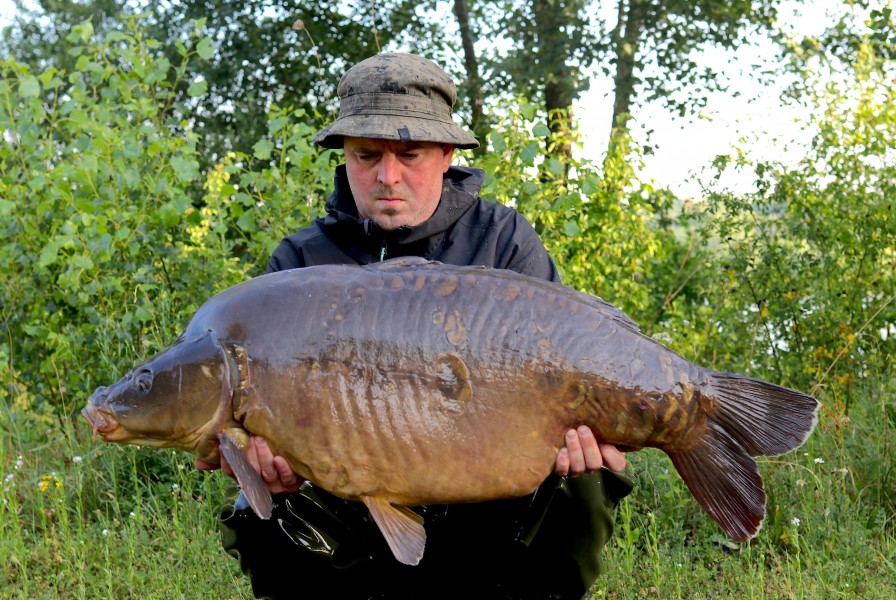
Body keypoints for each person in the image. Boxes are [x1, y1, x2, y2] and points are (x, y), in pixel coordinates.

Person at [196, 52, 634, 600]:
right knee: (263, 499)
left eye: (410, 153)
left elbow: (564, 364)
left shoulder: (503, 242)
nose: (387, 176)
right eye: (366, 155)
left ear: (447, 152)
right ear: (345, 156)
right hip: (353, 511)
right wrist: (268, 465)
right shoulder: (301, 264)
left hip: (491, 499)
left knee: (586, 476)